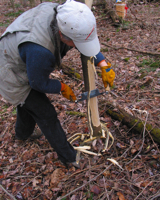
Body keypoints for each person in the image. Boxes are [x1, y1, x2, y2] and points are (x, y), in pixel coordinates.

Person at [0, 0, 115, 167]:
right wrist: (62, 87)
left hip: (23, 58)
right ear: (62, 35)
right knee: (45, 113)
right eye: (76, 43)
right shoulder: (40, 50)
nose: (78, 46)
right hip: (9, 71)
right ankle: (69, 157)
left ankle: (22, 134)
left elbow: (83, 37)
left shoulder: (66, 15)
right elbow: (38, 83)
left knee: (27, 104)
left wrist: (103, 63)